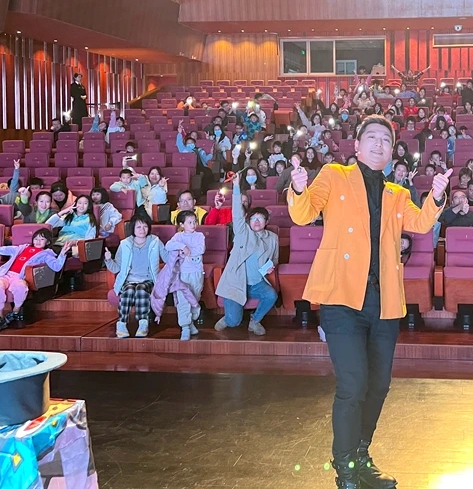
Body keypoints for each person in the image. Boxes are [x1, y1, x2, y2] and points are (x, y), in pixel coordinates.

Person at [286, 114, 450, 489]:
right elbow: (303, 213)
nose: (379, 144)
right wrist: (297, 188)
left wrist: (437, 196)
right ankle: (344, 467)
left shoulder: (398, 194)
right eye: (372, 137)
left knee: (378, 384)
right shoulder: (334, 175)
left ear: (392, 152)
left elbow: (421, 223)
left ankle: (361, 455)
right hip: (342, 298)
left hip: (384, 301)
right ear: (357, 146)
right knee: (353, 383)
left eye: (386, 140)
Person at [215, 173, 279, 335]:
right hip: (236, 281)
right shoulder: (243, 232)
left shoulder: (273, 238)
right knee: (233, 322)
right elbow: (237, 213)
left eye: (261, 218)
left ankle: (255, 320)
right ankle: (229, 318)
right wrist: (236, 186)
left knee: (271, 295)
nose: (256, 221)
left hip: (256, 283)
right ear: (248, 221)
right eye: (253, 218)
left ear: (266, 221)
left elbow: (274, 258)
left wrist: (271, 267)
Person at [0, 230, 73, 333]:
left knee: (21, 287)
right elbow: (1, 249)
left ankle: (14, 312)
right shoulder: (22, 248)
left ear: (48, 242)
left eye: (42, 239)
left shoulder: (46, 254)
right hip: (5, 275)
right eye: (36, 239)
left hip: (20, 278)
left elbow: (56, 267)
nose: (38, 241)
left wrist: (62, 254)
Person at [106, 215, 168, 338]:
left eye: (145, 226)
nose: (142, 230)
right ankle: (121, 323)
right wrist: (108, 260)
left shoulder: (155, 241)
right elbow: (116, 267)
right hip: (129, 280)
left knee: (141, 288)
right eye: (139, 227)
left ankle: (143, 323)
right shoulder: (125, 244)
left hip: (148, 280)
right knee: (129, 290)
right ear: (133, 228)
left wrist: (177, 249)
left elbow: (167, 258)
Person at [165, 211, 205, 341]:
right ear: (182, 224)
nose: (193, 224)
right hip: (182, 274)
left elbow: (201, 249)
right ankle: (185, 327)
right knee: (183, 300)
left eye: (194, 221)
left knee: (194, 298)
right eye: (190, 222)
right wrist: (182, 246)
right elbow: (168, 246)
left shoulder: (199, 235)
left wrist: (187, 250)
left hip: (197, 273)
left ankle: (191, 321)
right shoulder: (178, 236)